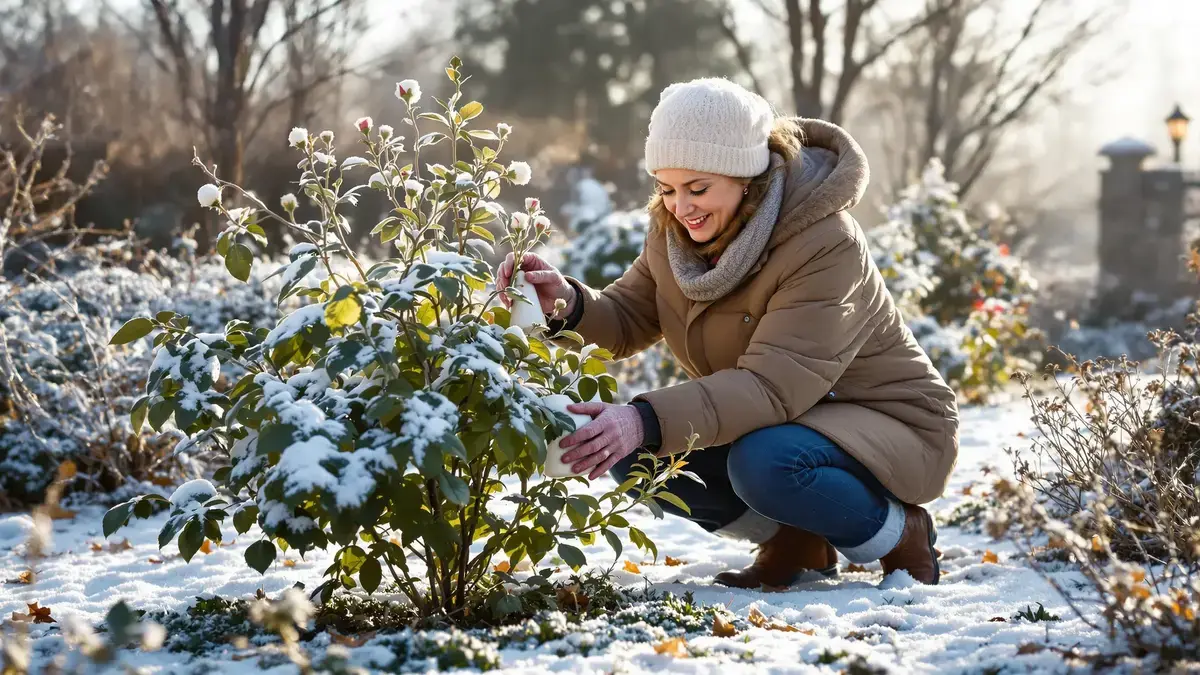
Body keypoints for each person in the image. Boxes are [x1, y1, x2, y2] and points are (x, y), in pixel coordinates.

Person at [496, 78, 959, 588]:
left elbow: (771, 385)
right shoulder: (676, 234)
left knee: (762, 462)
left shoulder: (825, 243)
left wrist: (642, 416)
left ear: (747, 177)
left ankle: (900, 534)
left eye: (698, 189)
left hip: (889, 422)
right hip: (784, 418)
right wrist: (565, 301)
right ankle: (796, 539)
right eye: (667, 189)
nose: (681, 207)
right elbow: (630, 316)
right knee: (638, 456)